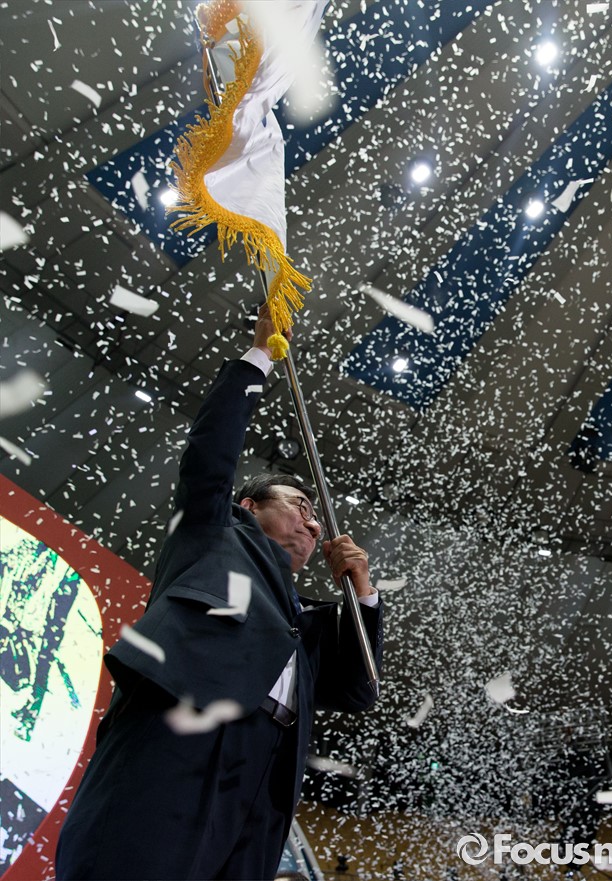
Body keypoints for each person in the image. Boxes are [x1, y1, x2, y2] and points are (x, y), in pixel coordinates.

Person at [55, 305, 383, 880]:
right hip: (187, 729)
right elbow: (210, 454)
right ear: (249, 506)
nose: (313, 525)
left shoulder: (304, 621)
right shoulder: (213, 535)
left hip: (266, 773)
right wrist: (258, 357)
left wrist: (363, 594)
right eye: (299, 506)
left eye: (316, 517)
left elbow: (359, 689)